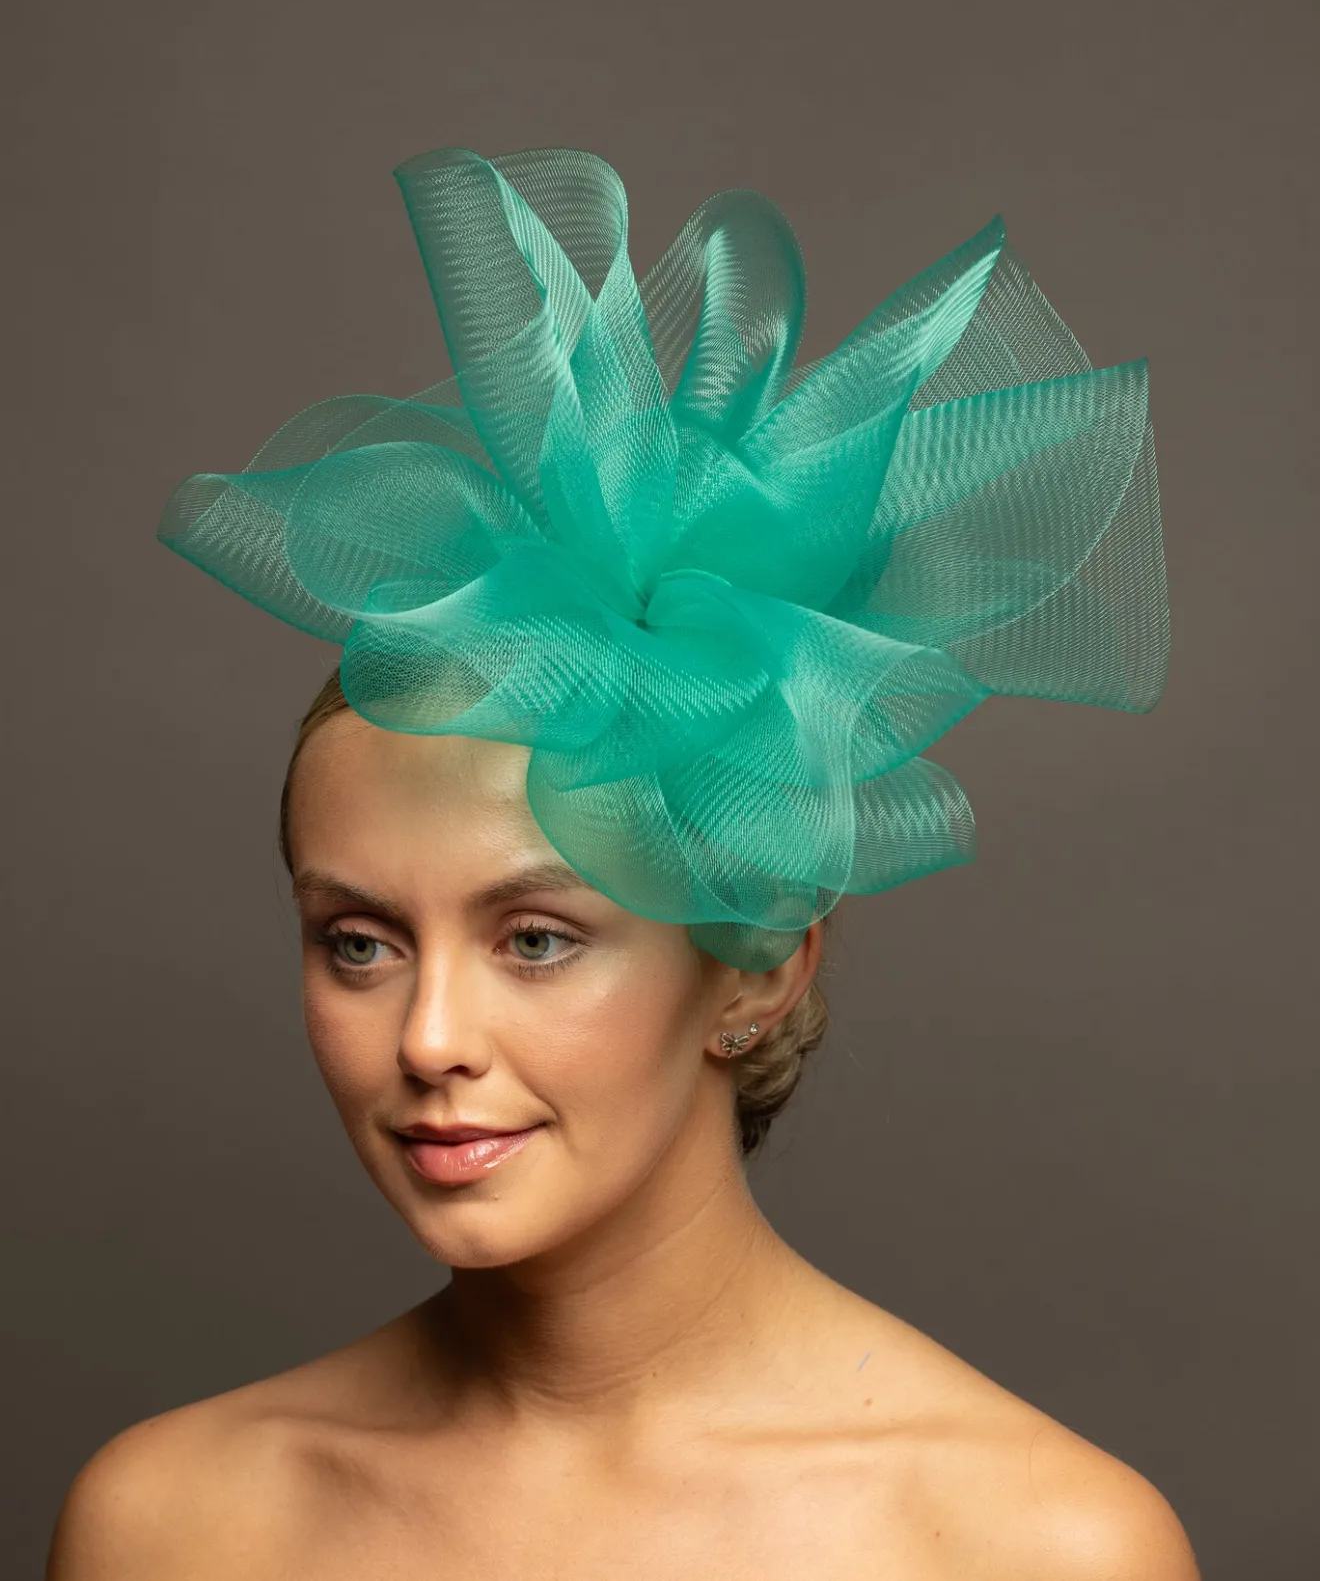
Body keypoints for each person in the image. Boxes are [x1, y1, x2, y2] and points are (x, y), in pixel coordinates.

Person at [47, 146, 1201, 1579]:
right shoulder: (171, 1526)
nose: (428, 1037)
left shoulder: (1030, 1547)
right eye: (360, 942)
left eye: (536, 937)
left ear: (759, 963)